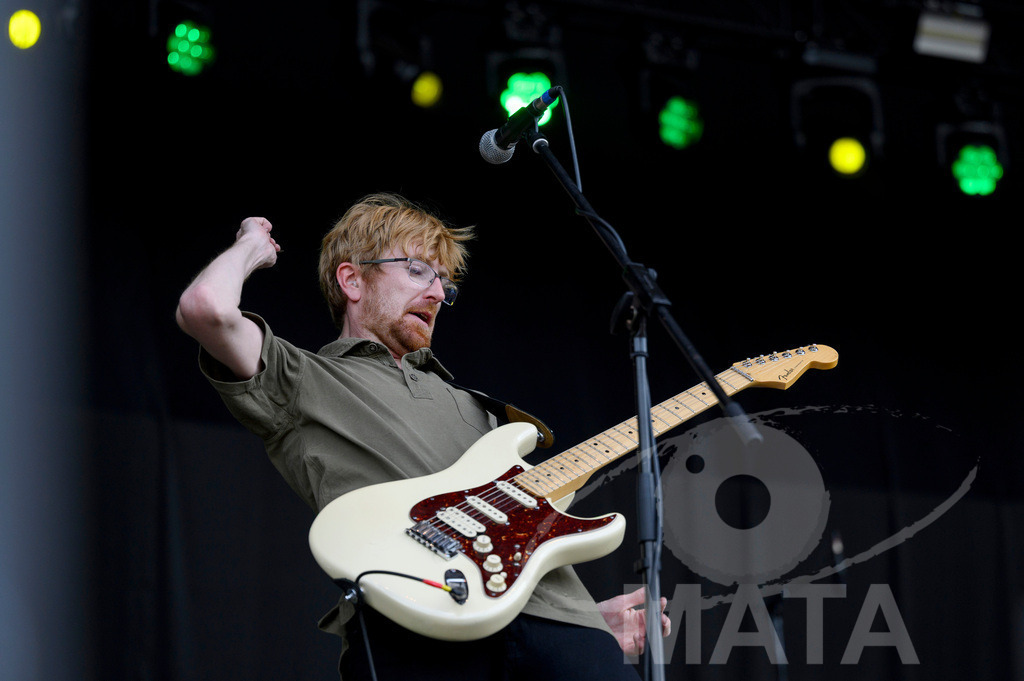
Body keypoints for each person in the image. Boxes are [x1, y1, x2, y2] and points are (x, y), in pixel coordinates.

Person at [176, 193, 669, 680]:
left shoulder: (482, 410)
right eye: (417, 271)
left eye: (444, 284)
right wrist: (250, 247)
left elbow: (522, 539)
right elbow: (206, 308)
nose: (437, 294)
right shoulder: (303, 376)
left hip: (564, 628)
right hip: (417, 615)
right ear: (351, 279)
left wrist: (584, 619)